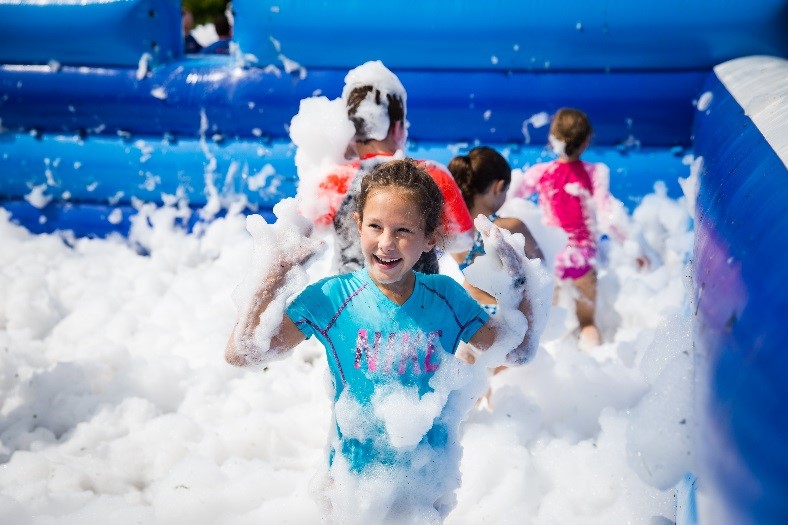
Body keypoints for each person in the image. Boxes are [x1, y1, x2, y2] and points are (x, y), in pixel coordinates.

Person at [225, 159, 539, 522]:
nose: (386, 243)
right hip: (351, 487)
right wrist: (272, 274)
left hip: (425, 486)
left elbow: (516, 351)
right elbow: (242, 353)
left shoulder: (447, 298)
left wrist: (522, 285)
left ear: (430, 239)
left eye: (404, 230)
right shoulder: (331, 298)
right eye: (375, 226)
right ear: (358, 224)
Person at [314, 61, 474, 275]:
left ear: (351, 128)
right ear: (398, 126)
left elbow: (300, 238)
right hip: (419, 302)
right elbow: (462, 240)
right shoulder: (431, 175)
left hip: (349, 300)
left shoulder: (333, 179)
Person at [511, 107, 604, 346]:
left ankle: (547, 345)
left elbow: (513, 197)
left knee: (548, 313)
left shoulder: (541, 172)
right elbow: (607, 210)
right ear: (586, 141)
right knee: (587, 309)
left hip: (554, 255)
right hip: (582, 256)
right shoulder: (594, 173)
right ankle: (589, 332)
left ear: (553, 141)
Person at [448, 146, 544, 316]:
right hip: (505, 316)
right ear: (498, 187)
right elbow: (541, 265)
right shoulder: (511, 227)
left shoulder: (452, 233)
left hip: (468, 315)